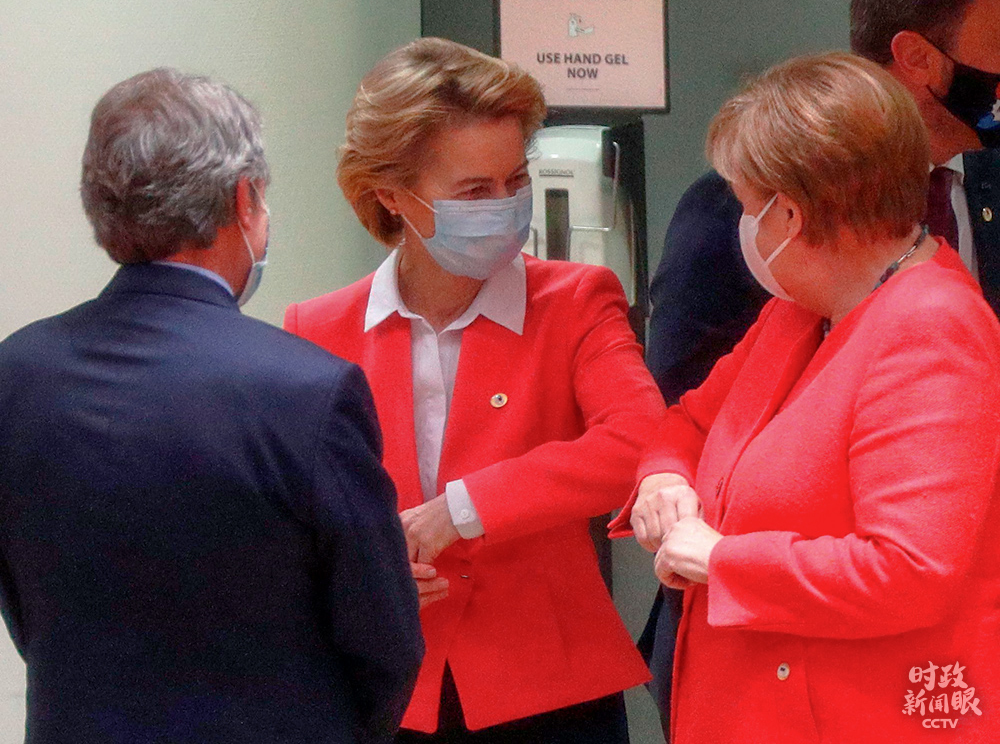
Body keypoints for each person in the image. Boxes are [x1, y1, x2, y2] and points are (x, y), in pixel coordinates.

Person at [0, 68, 423, 744]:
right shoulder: (308, 391)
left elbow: (26, 609)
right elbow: (385, 642)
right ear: (242, 198)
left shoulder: (16, 373)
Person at [284, 38, 666, 743]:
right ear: (390, 194)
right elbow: (294, 519)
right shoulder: (318, 328)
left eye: (515, 180)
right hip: (389, 690)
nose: (505, 205)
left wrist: (461, 511)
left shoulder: (576, 300)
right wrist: (364, 571)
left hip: (551, 692)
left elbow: (640, 441)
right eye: (473, 191)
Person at [611, 52, 1000, 742]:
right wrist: (662, 479)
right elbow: (689, 421)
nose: (742, 225)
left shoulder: (933, 328)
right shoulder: (798, 311)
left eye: (747, 205)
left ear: (790, 214)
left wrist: (722, 560)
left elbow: (909, 571)